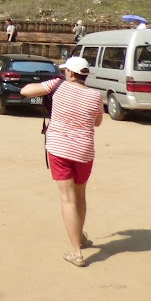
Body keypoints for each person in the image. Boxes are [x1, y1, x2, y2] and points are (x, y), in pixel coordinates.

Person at [19, 56, 103, 268]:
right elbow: (98, 122)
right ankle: (80, 237)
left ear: (72, 73)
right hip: (84, 150)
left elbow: (26, 92)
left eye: (66, 71)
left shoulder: (56, 85)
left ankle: (76, 252)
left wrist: (50, 86)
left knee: (67, 200)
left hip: (59, 148)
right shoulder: (95, 95)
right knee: (80, 194)